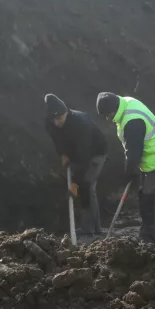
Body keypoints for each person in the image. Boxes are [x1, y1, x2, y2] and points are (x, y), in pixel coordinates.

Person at [96, 92, 155, 244]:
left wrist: (129, 172)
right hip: (150, 159)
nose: (108, 119)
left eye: (108, 115)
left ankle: (152, 239)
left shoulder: (132, 121)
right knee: (144, 197)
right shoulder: (125, 103)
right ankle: (147, 234)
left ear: (114, 109)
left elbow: (133, 153)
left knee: (151, 200)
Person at [44, 94, 107, 236]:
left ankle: (90, 230)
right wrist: (63, 155)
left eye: (60, 118)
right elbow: (57, 140)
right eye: (54, 119)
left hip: (96, 152)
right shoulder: (50, 123)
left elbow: (84, 158)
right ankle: (93, 228)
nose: (57, 122)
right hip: (76, 153)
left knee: (86, 185)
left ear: (67, 113)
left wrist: (75, 184)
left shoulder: (80, 124)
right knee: (84, 187)